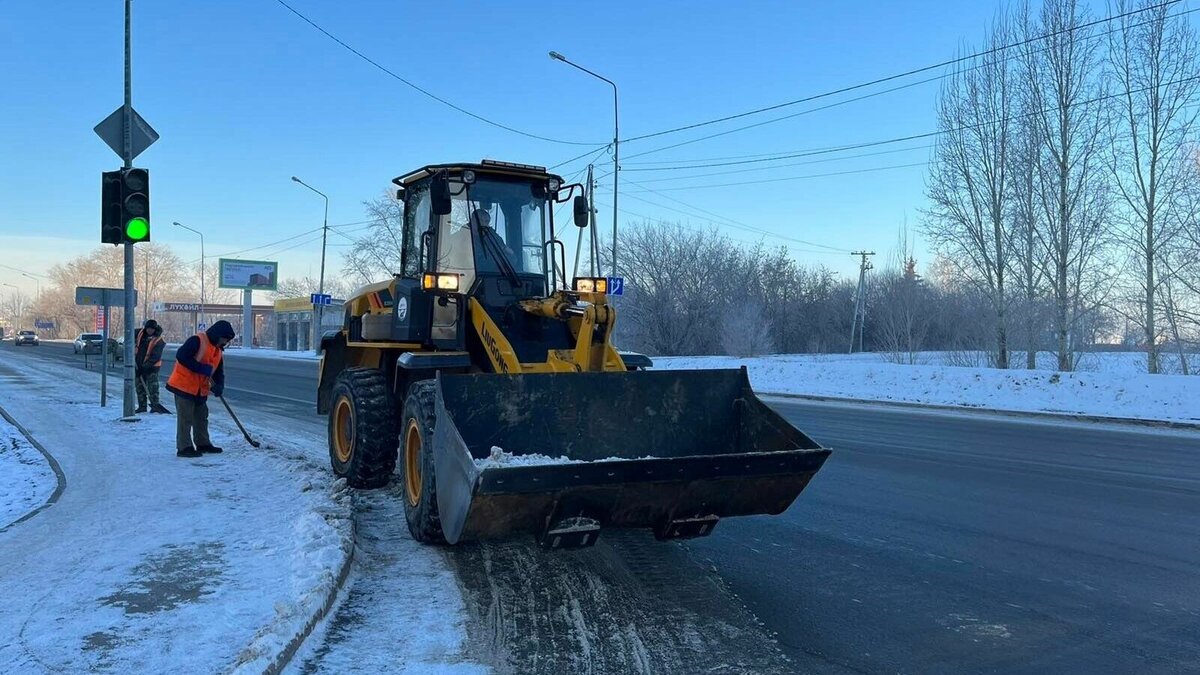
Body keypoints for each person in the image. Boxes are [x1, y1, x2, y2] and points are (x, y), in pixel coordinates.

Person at [166, 320, 235, 458]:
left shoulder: (217, 349)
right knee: (185, 418)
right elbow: (181, 356)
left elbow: (218, 371)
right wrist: (201, 368)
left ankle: (203, 444)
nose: (225, 342)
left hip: (200, 389)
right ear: (218, 334)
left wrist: (219, 385)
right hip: (184, 385)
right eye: (225, 339)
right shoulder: (197, 340)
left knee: (201, 417)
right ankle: (184, 447)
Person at [134, 319, 170, 414]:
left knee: (152, 388)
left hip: (152, 368)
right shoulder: (140, 334)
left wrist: (144, 368)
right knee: (139, 388)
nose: (150, 331)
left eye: (152, 329)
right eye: (148, 328)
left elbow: (155, 357)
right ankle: (142, 406)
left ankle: (155, 405)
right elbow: (129, 336)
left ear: (155, 329)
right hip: (138, 365)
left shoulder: (158, 340)